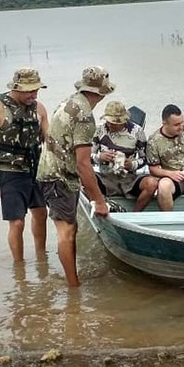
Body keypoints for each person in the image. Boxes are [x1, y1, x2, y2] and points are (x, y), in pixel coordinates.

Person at [36, 66, 114, 287]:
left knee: (70, 228)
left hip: (50, 172)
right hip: (58, 177)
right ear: (102, 93)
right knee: (67, 232)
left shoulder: (68, 102)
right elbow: (83, 162)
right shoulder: (85, 117)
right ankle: (73, 287)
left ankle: (69, 280)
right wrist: (99, 200)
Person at [0, 67, 49, 262]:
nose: (33, 95)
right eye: (29, 91)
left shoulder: (39, 109)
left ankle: (42, 258)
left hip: (35, 169)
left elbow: (49, 142)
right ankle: (19, 266)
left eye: (36, 90)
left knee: (41, 214)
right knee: (17, 223)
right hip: (9, 172)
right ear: (17, 88)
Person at [91, 100, 158, 211]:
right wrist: (100, 157)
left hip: (128, 178)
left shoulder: (137, 131)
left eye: (114, 123)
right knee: (84, 177)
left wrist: (132, 164)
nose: (110, 125)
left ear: (123, 121)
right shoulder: (99, 130)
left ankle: (134, 214)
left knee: (151, 184)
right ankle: (104, 205)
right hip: (105, 177)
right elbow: (87, 157)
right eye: (108, 122)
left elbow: (145, 159)